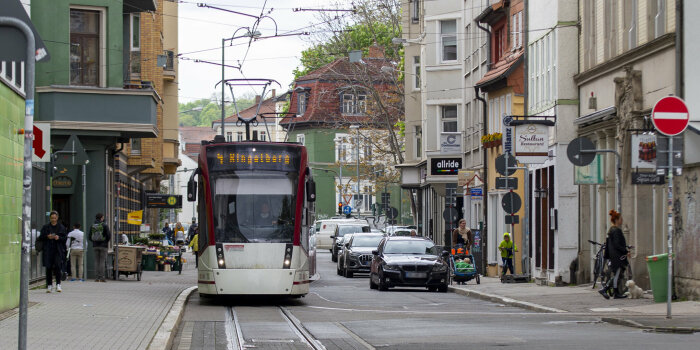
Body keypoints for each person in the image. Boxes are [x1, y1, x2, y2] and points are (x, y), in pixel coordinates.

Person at [599, 210, 630, 299]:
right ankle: (607, 290)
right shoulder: (616, 231)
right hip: (617, 256)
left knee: (616, 274)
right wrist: (625, 251)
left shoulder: (611, 230)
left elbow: (609, 244)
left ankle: (613, 291)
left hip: (613, 255)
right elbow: (617, 244)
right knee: (616, 274)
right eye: (621, 219)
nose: (622, 220)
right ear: (616, 220)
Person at [39, 211, 67, 292]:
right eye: (52, 218)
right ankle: (49, 285)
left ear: (57, 218)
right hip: (48, 250)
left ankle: (58, 284)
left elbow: (65, 238)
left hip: (57, 250)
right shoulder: (46, 227)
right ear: (50, 218)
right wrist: (47, 236)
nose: (53, 220)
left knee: (58, 266)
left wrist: (58, 238)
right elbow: (41, 237)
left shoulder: (61, 227)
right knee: (48, 267)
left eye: (55, 218)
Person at [89, 213, 111, 282]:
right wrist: (105, 241)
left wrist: (94, 241)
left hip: (95, 246)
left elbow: (89, 236)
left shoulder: (92, 225)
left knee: (96, 261)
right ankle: (102, 277)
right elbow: (108, 235)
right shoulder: (104, 225)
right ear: (101, 218)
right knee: (102, 261)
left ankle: (96, 277)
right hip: (103, 246)